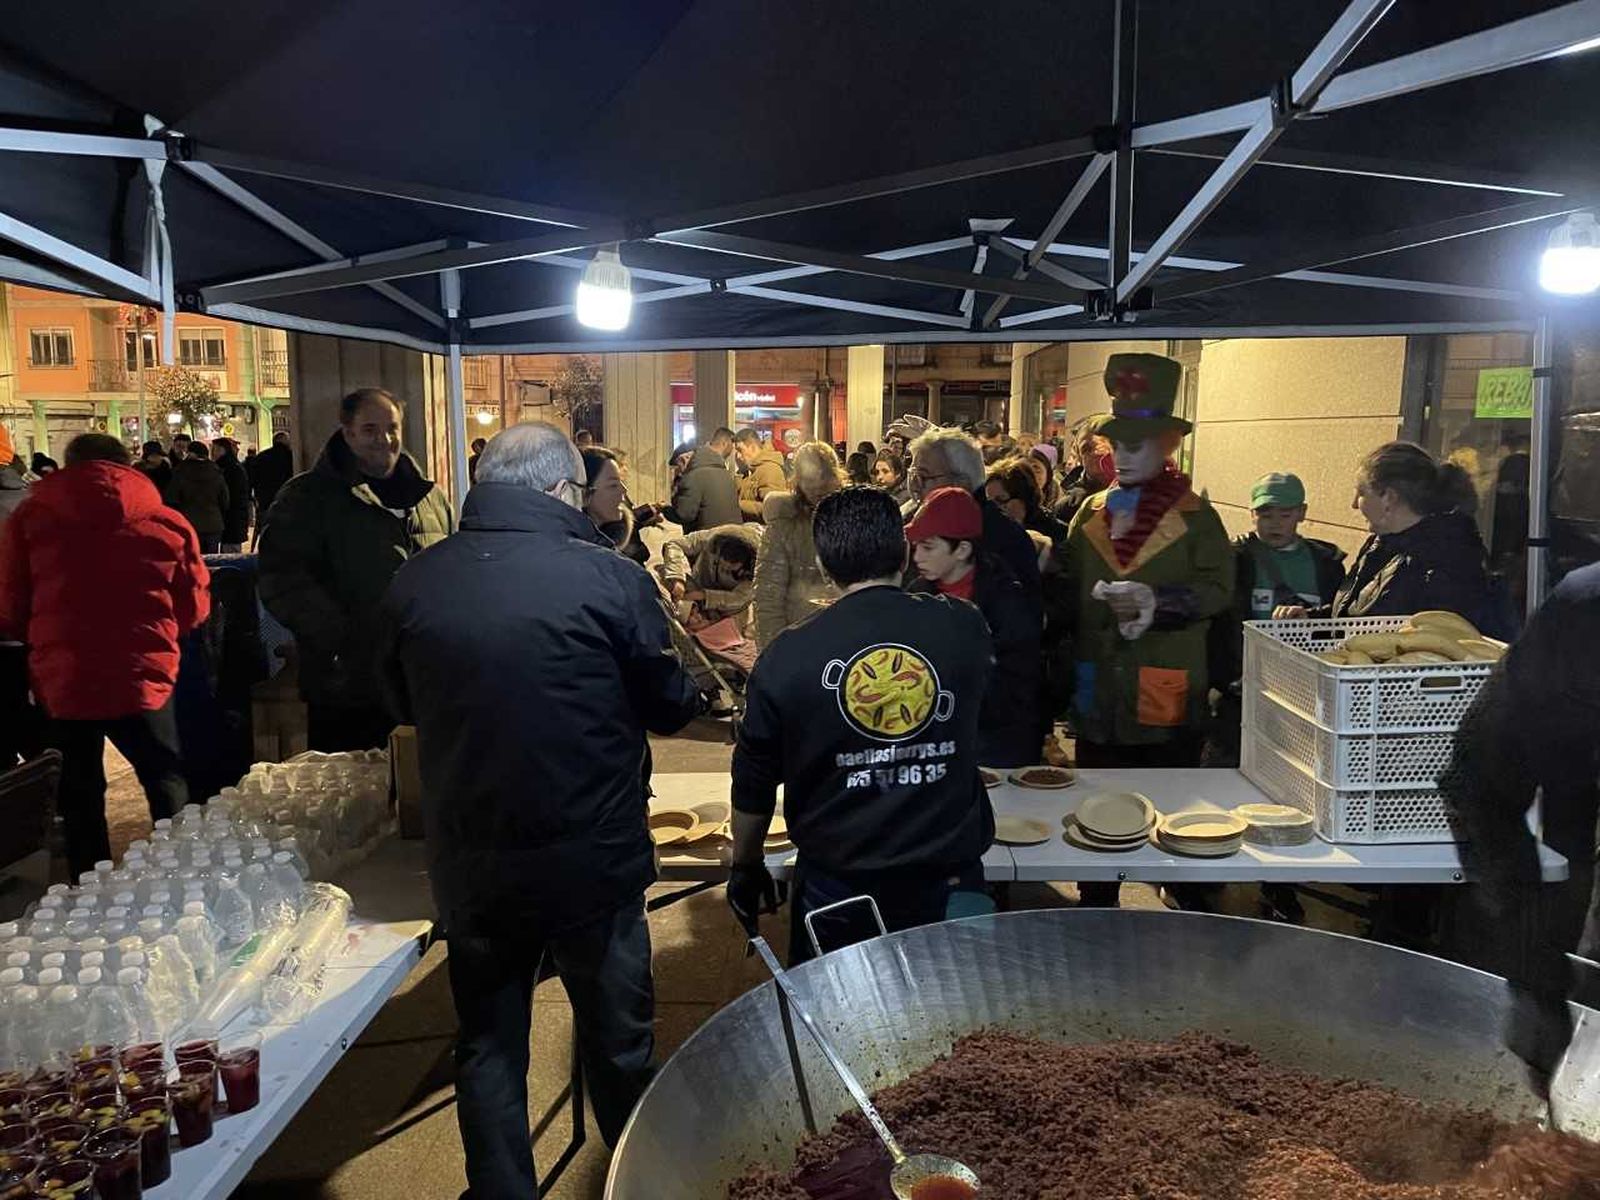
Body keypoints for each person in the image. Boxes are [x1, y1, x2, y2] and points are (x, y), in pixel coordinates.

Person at [375, 422, 699, 1198]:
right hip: (593, 857)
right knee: (617, 1043)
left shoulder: (416, 582)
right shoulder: (607, 578)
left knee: (488, 1046)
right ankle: (640, 1182)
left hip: (474, 857)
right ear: (562, 491)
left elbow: (397, 706)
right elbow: (673, 706)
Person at [728, 486, 995, 964]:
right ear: (904, 550)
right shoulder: (963, 627)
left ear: (825, 566)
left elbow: (753, 785)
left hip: (839, 889)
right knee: (957, 1026)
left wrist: (745, 863)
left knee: (839, 1026)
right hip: (948, 880)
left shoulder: (788, 656)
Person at [1056, 354, 1233, 906]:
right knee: (1095, 808)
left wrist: (1157, 601)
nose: (1123, 456)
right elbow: (1068, 585)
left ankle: (1178, 899)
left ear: (1166, 446)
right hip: (1099, 694)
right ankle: (1097, 900)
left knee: (1171, 812)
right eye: (1117, 445)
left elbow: (1220, 591)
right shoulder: (1089, 510)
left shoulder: (1198, 516)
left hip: (1163, 694)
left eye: (1137, 445)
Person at [0, 434, 209, 875]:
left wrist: (44, 642)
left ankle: (88, 885)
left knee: (80, 794)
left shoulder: (28, 519)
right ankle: (179, 875)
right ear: (128, 465)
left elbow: (12, 604)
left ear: (67, 465)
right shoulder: (166, 520)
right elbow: (194, 606)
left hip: (65, 678)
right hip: (144, 674)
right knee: (165, 779)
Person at [1438, 561, 1600, 1089]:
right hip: (1516, 757)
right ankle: (1525, 1056)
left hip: (1554, 754)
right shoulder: (1584, 605)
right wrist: (1538, 977)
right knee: (1540, 894)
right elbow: (1477, 777)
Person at [259, 387, 453, 752]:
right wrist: (343, 638)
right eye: (370, 429)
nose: (385, 439)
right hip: (347, 684)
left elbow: (453, 571)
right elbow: (280, 579)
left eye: (392, 428)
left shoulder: (431, 498)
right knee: (353, 792)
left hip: (421, 679)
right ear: (347, 432)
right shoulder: (306, 498)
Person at [1277, 443, 1498, 634]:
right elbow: (1357, 620)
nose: (1354, 504)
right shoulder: (1381, 543)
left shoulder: (1449, 564)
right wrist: (1312, 620)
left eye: (1361, 492)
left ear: (1389, 498)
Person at [1206, 472, 1345, 770]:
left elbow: (1338, 623)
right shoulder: (1234, 559)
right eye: (1265, 514)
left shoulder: (1327, 564)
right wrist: (1224, 678)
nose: (1275, 523)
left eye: (1286, 514)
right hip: (1241, 691)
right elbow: (1218, 625)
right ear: (1251, 514)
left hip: (1305, 694)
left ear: (1302, 513)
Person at [906, 487, 1042, 768]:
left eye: (928, 547)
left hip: (997, 743)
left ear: (963, 549)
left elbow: (1018, 682)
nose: (917, 556)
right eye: (916, 545)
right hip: (935, 740)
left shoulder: (1005, 598)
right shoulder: (918, 593)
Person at [908, 427, 1041, 600]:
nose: (915, 487)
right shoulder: (919, 519)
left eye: (923, 477)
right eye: (913, 476)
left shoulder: (1001, 538)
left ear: (960, 483)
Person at [753, 441, 844, 649]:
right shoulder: (784, 526)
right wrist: (772, 653)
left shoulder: (854, 517)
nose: (817, 485)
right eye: (809, 478)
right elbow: (768, 596)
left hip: (849, 636)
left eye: (824, 475)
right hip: (801, 639)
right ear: (798, 481)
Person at [659, 524, 762, 629]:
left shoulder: (761, 569)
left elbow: (740, 598)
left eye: (730, 569)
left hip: (733, 609)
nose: (724, 568)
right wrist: (677, 578)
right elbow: (675, 545)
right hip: (698, 586)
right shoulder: (713, 537)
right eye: (721, 563)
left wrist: (705, 596)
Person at [164, 434, 230, 553]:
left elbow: (171, 499)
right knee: (211, 560)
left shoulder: (180, 471)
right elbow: (225, 500)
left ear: (190, 453)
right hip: (213, 524)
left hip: (189, 524)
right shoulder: (216, 471)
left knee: (192, 559)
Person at [582, 446, 647, 565]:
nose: (624, 490)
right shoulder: (577, 558)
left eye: (620, 483)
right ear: (585, 494)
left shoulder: (615, 539)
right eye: (613, 485)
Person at [669, 438, 742, 534]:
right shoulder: (725, 473)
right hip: (733, 536)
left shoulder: (693, 476)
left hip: (709, 541)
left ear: (686, 458)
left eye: (679, 465)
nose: (679, 471)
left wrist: (664, 510)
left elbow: (684, 514)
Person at [1056, 415, 1114, 521]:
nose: (1097, 453)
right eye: (1086, 449)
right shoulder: (1069, 508)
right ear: (1080, 458)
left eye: (1107, 443)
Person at [247, 432, 295, 538]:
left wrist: (254, 497)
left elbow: (252, 479)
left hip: (265, 502)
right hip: (287, 500)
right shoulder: (291, 457)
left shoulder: (261, 457)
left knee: (267, 532)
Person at [735, 428, 789, 520]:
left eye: (740, 450)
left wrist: (737, 505)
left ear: (753, 447)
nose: (738, 456)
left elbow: (773, 509)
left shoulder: (769, 470)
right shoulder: (751, 470)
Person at [212, 437, 251, 553]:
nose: (213, 453)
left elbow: (235, 495)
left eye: (215, 449)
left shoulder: (229, 468)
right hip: (232, 518)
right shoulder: (232, 466)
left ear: (223, 450)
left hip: (232, 517)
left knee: (230, 555)